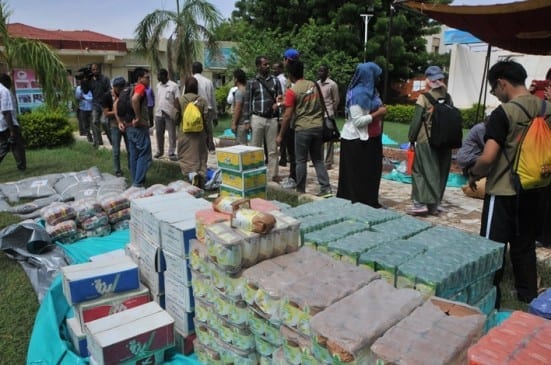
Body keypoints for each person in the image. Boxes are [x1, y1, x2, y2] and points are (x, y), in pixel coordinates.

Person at [467, 60, 551, 307]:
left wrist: (474, 173)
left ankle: (489, 296)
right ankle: (528, 296)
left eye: (494, 90)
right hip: (536, 189)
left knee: (492, 247)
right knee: (524, 246)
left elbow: (489, 157)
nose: (496, 94)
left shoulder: (503, 113)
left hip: (504, 190)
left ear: (502, 83)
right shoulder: (546, 108)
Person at [276, 59, 331, 196]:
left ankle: (300, 190)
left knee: (300, 161)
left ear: (290, 75)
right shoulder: (314, 85)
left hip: (302, 129)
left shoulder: (292, 91)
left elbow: (287, 116)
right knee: (317, 159)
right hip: (318, 127)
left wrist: (280, 135)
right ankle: (326, 188)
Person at [337, 62, 387, 207]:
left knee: (371, 173)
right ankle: (356, 202)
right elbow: (358, 121)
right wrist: (379, 113)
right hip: (356, 141)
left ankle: (370, 201)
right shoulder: (358, 94)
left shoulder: (372, 92)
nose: (378, 79)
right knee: (357, 176)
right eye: (376, 76)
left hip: (372, 139)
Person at [407, 65, 454, 216]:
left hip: (425, 140)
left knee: (420, 170)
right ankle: (435, 204)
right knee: (440, 171)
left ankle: (420, 203)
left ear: (428, 80)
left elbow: (416, 123)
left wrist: (411, 139)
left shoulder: (424, 98)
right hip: (446, 141)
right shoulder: (448, 97)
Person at [243, 55, 283, 182]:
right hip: (257, 118)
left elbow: (280, 99)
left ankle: (273, 174)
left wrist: (279, 111)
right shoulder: (252, 82)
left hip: (272, 119)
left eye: (268, 64)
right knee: (254, 148)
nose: (268, 66)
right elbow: (247, 102)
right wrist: (246, 121)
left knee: (272, 149)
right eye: (265, 64)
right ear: (258, 66)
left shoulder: (275, 81)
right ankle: (254, 174)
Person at [178, 76, 210, 188]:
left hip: (185, 134)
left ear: (186, 86)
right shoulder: (202, 101)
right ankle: (200, 177)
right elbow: (206, 120)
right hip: (200, 134)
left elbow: (175, 117)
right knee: (201, 157)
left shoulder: (180, 100)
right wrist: (209, 137)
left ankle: (190, 176)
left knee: (185, 157)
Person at [127, 67, 153, 187]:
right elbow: (135, 99)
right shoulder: (140, 87)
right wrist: (139, 118)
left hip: (130, 127)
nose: (149, 80)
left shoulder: (130, 88)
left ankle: (135, 181)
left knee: (134, 155)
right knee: (145, 155)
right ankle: (138, 184)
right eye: (147, 77)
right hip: (139, 127)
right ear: (139, 78)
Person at [103, 76, 129, 177]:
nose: (122, 90)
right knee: (116, 150)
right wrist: (117, 111)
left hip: (126, 123)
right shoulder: (107, 96)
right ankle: (117, 170)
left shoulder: (126, 94)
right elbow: (106, 113)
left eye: (123, 87)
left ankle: (132, 167)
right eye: (119, 88)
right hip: (114, 124)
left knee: (130, 148)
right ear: (114, 87)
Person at [0, 73, 26, 171]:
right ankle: (21, 166)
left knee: (4, 146)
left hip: (1, 125)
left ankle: (21, 166)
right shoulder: (4, 91)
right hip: (7, 124)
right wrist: (11, 130)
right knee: (17, 145)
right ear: (6, 81)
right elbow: (6, 111)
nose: (11, 84)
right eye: (10, 82)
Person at [317, 64, 340, 171]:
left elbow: (336, 100)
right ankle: (319, 160)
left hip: (329, 114)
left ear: (327, 72)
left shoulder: (332, 84)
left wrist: (332, 111)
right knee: (319, 138)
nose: (320, 73)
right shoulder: (316, 84)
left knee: (330, 138)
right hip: (318, 114)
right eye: (319, 71)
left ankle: (329, 162)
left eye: (322, 71)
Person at [154, 69, 180, 161]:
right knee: (159, 133)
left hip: (169, 113)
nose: (157, 77)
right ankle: (160, 151)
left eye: (159, 75)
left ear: (165, 76)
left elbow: (177, 100)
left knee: (172, 134)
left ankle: (172, 153)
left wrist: (176, 113)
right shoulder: (158, 85)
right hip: (159, 113)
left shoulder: (174, 86)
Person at [191, 61, 217, 152]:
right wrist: (215, 115)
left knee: (195, 129)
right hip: (207, 109)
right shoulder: (208, 82)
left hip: (194, 109)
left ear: (192, 70)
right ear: (202, 70)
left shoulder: (190, 80)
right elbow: (212, 99)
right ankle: (210, 147)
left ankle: (197, 147)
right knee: (208, 130)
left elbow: (185, 97)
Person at [89, 63, 111, 147]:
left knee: (104, 122)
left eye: (96, 69)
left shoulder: (105, 79)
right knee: (94, 121)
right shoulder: (90, 80)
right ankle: (98, 141)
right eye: (93, 70)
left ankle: (112, 140)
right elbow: (86, 91)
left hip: (104, 104)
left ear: (99, 69)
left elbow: (108, 90)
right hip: (95, 104)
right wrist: (84, 81)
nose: (95, 71)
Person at [273, 61, 288, 166]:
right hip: (279, 109)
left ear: (281, 69)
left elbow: (282, 95)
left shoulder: (281, 80)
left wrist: (278, 105)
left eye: (276, 68)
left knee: (281, 134)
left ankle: (283, 157)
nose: (274, 70)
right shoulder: (279, 79)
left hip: (280, 110)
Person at [230, 69, 249, 145]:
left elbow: (238, 108)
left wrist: (234, 123)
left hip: (241, 123)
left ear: (236, 79)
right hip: (247, 121)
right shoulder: (247, 90)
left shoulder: (239, 92)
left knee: (241, 146)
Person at [75, 77, 93, 143]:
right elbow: (77, 97)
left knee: (93, 124)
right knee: (85, 125)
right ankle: (89, 138)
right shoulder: (78, 88)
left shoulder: (91, 88)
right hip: (82, 108)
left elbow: (92, 98)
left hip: (91, 108)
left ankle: (97, 138)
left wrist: (85, 97)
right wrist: (80, 96)